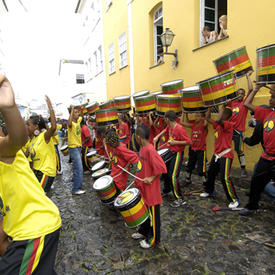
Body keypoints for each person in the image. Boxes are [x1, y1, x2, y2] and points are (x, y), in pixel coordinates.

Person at [0, 75, 61, 274]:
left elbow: (17, 139)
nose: (28, 125)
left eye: (30, 123)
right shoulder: (32, 143)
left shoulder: (42, 136)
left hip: (37, 224)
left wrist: (9, 107)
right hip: (25, 225)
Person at [240, 84, 275, 215]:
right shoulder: (267, 113)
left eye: (272, 97)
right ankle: (252, 206)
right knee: (255, 183)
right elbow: (247, 104)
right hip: (266, 157)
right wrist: (256, 89)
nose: (270, 99)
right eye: (270, 97)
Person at [133, 124, 167, 249]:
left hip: (151, 192)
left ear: (139, 137)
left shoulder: (150, 150)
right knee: (145, 214)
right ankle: (143, 232)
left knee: (153, 217)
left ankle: (153, 239)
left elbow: (161, 167)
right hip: (143, 190)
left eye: (135, 137)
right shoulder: (142, 148)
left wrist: (151, 178)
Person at [200, 105, 240, 208]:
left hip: (226, 154)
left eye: (222, 113)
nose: (219, 114)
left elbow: (217, 119)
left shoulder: (228, 124)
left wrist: (223, 106)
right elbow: (207, 118)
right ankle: (209, 191)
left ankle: (234, 199)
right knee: (211, 174)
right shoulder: (217, 125)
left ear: (226, 115)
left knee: (225, 178)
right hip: (217, 154)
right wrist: (209, 108)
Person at [153, 110, 192, 207]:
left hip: (177, 153)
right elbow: (165, 130)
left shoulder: (179, 129)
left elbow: (189, 142)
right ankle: (167, 190)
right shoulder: (170, 126)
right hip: (170, 151)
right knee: (165, 173)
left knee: (173, 176)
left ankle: (180, 199)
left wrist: (176, 143)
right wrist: (157, 137)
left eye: (164, 119)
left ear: (167, 119)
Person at [27, 96, 57, 194]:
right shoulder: (31, 141)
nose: (26, 127)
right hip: (37, 172)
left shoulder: (44, 136)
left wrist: (50, 108)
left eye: (28, 125)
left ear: (36, 126)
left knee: (39, 197)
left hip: (46, 172)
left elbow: (53, 127)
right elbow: (28, 159)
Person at [228, 70, 253, 178]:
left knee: (239, 150)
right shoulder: (232, 103)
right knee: (226, 149)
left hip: (238, 131)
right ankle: (225, 168)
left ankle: (243, 169)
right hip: (229, 130)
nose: (240, 95)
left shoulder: (244, 104)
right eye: (239, 94)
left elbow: (251, 89)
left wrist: (248, 77)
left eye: (242, 94)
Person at [180, 112, 208, 185]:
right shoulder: (193, 125)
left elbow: (206, 121)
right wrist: (184, 112)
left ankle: (205, 184)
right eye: (196, 116)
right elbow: (181, 122)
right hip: (192, 148)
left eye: (198, 116)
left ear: (202, 118)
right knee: (190, 165)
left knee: (201, 169)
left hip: (201, 150)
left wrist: (208, 108)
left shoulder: (204, 126)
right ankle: (187, 180)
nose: (196, 117)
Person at [68, 105, 86, 195]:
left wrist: (81, 110)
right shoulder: (71, 124)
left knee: (77, 167)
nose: (77, 113)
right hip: (73, 148)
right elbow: (69, 123)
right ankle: (76, 189)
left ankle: (76, 182)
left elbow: (81, 116)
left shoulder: (78, 121)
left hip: (78, 147)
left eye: (77, 112)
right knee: (79, 168)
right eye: (75, 112)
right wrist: (71, 110)